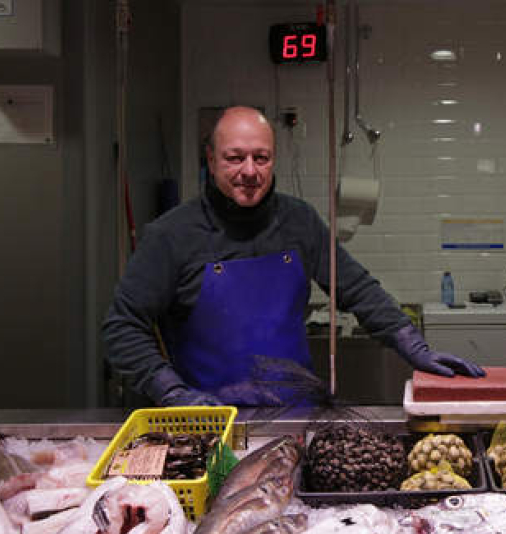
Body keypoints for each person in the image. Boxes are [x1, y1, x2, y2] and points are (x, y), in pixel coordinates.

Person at [102, 106, 485, 406]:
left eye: (261, 158)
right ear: (211, 159)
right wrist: (170, 391)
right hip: (207, 419)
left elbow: (356, 289)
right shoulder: (170, 235)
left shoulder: (299, 221)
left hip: (295, 415)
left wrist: (412, 346)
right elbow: (122, 327)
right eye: (235, 158)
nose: (249, 171)